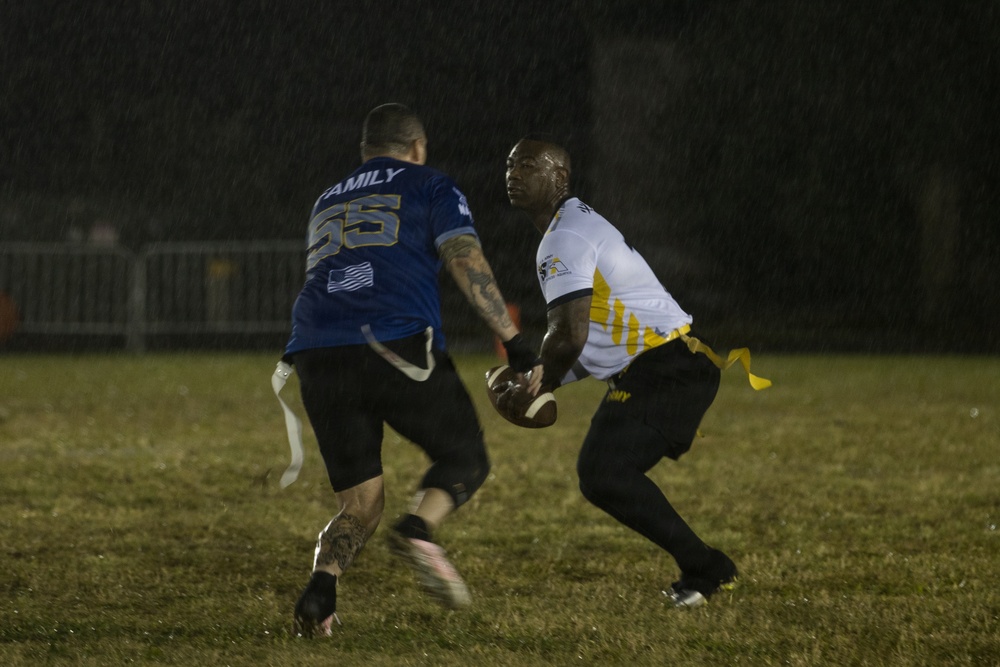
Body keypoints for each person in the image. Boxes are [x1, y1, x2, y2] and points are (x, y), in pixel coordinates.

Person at [284, 104, 538, 637]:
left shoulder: (329, 197)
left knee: (359, 503)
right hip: (391, 340)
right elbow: (464, 258)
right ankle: (420, 528)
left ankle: (320, 592)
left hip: (315, 350)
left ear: (364, 151)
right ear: (417, 147)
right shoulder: (430, 183)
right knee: (465, 455)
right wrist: (514, 341)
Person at [503, 135, 769, 609]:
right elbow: (598, 336)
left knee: (603, 470)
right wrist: (543, 380)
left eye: (527, 165)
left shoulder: (564, 237)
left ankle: (707, 566)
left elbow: (568, 336)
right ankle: (704, 564)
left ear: (560, 178)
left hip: (669, 366)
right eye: (509, 165)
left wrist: (535, 375)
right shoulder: (569, 227)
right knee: (605, 471)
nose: (514, 174)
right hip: (667, 364)